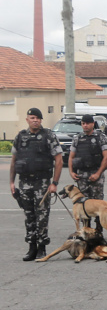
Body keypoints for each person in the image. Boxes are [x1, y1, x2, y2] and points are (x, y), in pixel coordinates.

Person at [9, 107, 63, 261]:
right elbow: (14, 161)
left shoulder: (49, 136)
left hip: (42, 183)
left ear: (41, 120)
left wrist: (54, 183)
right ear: (27, 119)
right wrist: (12, 183)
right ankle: (31, 247)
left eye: (38, 118)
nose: (35, 120)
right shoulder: (20, 137)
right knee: (29, 216)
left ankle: (42, 247)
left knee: (42, 216)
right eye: (32, 118)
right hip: (25, 182)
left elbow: (59, 161)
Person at [68, 114, 107, 232]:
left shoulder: (100, 137)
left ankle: (98, 231)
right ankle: (86, 230)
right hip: (82, 176)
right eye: (83, 123)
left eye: (87, 123)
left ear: (93, 124)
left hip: (95, 174)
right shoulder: (77, 138)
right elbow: (71, 156)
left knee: (97, 204)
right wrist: (71, 172)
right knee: (83, 204)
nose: (85, 125)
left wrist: (98, 173)